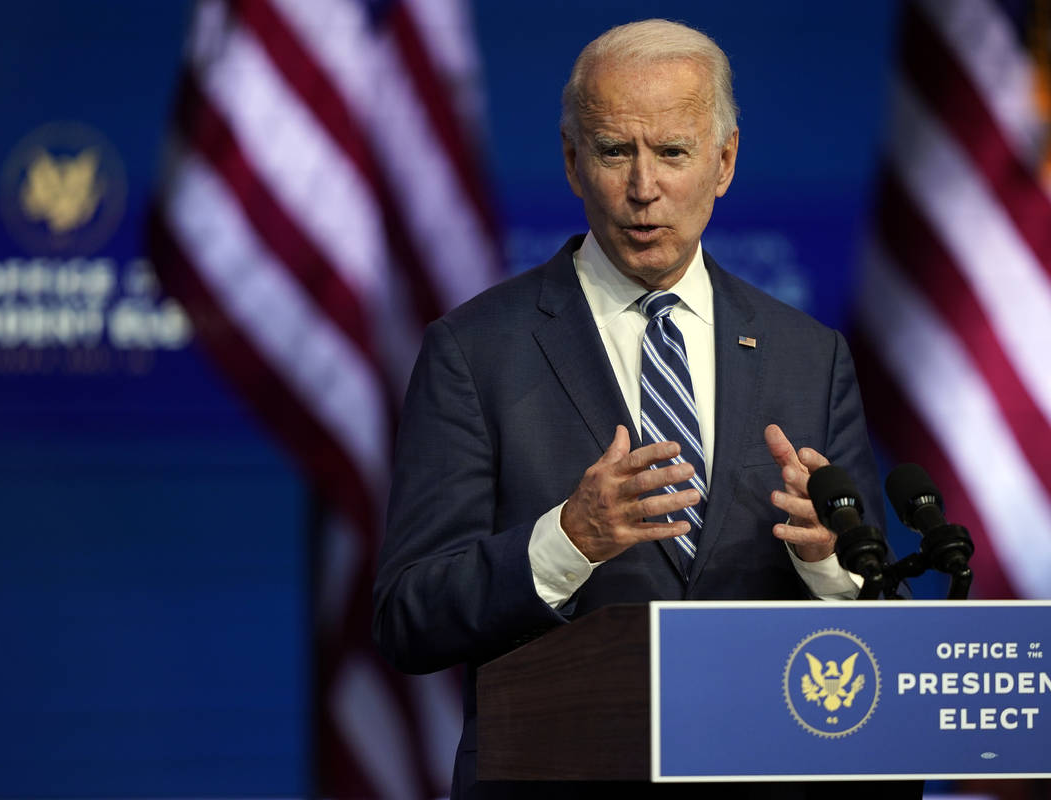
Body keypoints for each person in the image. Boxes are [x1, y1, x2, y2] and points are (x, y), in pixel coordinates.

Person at [374, 18, 914, 800]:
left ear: (723, 161)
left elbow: (877, 615)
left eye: (672, 152)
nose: (643, 188)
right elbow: (408, 615)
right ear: (571, 162)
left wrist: (830, 562)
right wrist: (564, 540)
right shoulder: (477, 351)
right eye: (613, 151)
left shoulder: (809, 357)